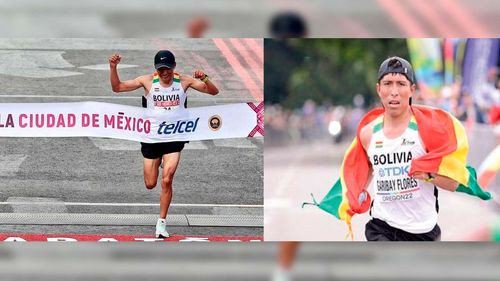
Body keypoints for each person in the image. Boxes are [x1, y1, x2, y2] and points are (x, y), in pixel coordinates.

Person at [306, 56, 491, 241]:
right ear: (379, 89)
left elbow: (453, 183)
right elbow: (364, 171)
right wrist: (352, 197)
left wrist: (428, 175)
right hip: (381, 227)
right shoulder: (368, 134)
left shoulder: (427, 132)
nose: (394, 92)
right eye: (387, 83)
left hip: (422, 231)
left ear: (411, 90)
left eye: (401, 84)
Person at [108, 50, 219, 238]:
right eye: (160, 70)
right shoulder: (147, 81)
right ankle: (158, 160)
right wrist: (113, 67)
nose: (164, 73)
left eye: (167, 68)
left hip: (174, 137)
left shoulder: (184, 81)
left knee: (167, 179)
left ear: (174, 66)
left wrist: (205, 77)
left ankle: (161, 224)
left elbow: (213, 92)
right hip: (151, 137)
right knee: (150, 184)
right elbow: (117, 87)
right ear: (156, 70)